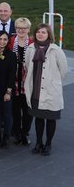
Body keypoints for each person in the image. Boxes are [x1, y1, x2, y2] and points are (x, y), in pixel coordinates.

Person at [25, 23, 68, 156]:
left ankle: (48, 144)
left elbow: (64, 70)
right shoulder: (31, 48)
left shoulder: (56, 50)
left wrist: (53, 81)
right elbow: (27, 66)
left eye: (43, 32)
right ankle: (38, 143)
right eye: (38, 32)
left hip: (51, 91)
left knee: (50, 119)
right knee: (38, 118)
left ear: (49, 34)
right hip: (36, 89)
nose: (40, 34)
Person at [10, 17, 34, 145]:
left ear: (28, 29)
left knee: (27, 111)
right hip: (13, 81)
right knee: (15, 110)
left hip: (27, 81)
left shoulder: (32, 43)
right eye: (18, 27)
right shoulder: (10, 41)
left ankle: (25, 133)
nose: (21, 30)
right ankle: (17, 133)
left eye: (24, 28)